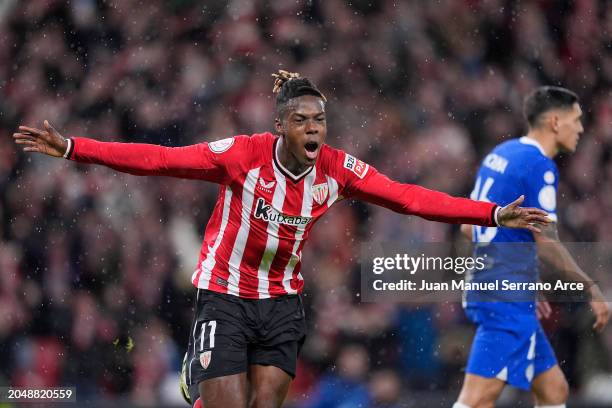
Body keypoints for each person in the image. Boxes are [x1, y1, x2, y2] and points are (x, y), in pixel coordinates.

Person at [13, 70, 550, 408]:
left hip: (281, 303)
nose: (315, 128)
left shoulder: (338, 171)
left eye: (321, 119)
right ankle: (198, 384)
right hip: (224, 294)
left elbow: (409, 196)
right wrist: (72, 148)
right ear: (280, 127)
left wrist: (494, 213)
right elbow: (158, 160)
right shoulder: (241, 155)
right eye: (303, 120)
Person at [454, 86, 611, 408]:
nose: (581, 128)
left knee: (554, 390)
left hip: (496, 283)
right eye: (577, 120)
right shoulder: (538, 166)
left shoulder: (501, 154)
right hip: (504, 293)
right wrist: (590, 288)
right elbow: (545, 241)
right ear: (555, 122)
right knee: (476, 399)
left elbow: (468, 227)